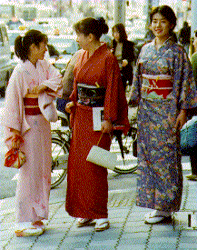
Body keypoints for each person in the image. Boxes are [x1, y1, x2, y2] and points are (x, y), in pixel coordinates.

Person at [129, 5, 197, 224]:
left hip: (167, 112)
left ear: (172, 25)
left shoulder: (177, 52)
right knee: (148, 157)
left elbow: (185, 82)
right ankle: (156, 204)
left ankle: (167, 206)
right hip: (147, 112)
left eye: (163, 22)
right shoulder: (145, 49)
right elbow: (138, 80)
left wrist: (183, 111)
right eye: (154, 21)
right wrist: (134, 106)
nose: (158, 26)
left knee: (166, 158)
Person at [65, 17, 130, 232]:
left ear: (90, 37)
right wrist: (73, 101)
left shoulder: (108, 58)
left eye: (79, 35)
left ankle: (100, 213)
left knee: (96, 165)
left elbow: (112, 89)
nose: (77, 40)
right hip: (82, 116)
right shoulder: (82, 56)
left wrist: (108, 118)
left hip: (98, 117)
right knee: (80, 166)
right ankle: (84, 211)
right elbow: (77, 83)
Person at [1, 30, 63, 236]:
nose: (46, 49)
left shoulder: (44, 66)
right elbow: (12, 106)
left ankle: (36, 216)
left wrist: (43, 86)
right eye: (43, 45)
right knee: (28, 173)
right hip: (27, 127)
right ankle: (23, 220)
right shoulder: (20, 72)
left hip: (43, 125)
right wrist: (13, 134)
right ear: (32, 47)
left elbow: (58, 79)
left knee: (43, 170)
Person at [186, 31, 197, 181]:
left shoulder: (195, 58)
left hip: (196, 103)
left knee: (194, 136)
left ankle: (195, 170)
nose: (194, 42)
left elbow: (191, 81)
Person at [112, 23, 135, 89]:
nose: (115, 34)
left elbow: (131, 57)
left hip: (124, 70)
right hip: (114, 70)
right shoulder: (112, 43)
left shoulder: (128, 44)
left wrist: (126, 61)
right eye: (114, 32)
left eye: (117, 32)